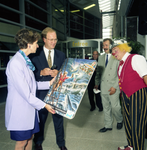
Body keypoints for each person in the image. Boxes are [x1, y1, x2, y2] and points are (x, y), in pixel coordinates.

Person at [5, 28, 56, 150]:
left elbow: (32, 85)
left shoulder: (25, 61)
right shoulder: (16, 63)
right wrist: (45, 105)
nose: (38, 46)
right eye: (36, 43)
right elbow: (26, 93)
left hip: (29, 110)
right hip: (20, 111)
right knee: (21, 142)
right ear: (29, 45)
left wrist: (50, 83)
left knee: (30, 139)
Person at [29, 27, 67, 150]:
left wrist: (59, 73)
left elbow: (67, 73)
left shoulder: (61, 55)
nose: (54, 42)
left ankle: (61, 144)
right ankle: (38, 142)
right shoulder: (35, 55)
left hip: (57, 94)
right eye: (51, 40)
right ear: (44, 39)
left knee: (59, 120)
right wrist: (41, 72)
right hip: (41, 94)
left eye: (55, 39)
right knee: (41, 120)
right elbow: (29, 76)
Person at [112, 39, 147, 150]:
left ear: (123, 48)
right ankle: (131, 145)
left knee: (137, 125)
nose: (113, 53)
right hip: (126, 96)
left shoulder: (136, 58)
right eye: (112, 51)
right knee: (128, 123)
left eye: (115, 50)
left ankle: (138, 148)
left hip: (138, 94)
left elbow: (146, 76)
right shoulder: (120, 64)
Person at [95, 38, 123, 132]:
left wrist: (115, 87)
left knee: (115, 107)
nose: (104, 47)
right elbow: (98, 72)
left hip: (113, 87)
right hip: (103, 86)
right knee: (106, 107)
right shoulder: (101, 57)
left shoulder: (116, 57)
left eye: (106, 45)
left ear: (111, 46)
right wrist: (96, 83)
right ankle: (108, 125)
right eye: (103, 45)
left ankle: (119, 120)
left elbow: (120, 74)